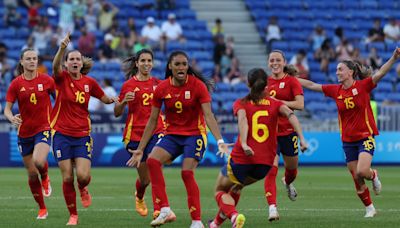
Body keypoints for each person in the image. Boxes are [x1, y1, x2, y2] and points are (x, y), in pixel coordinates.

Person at [127, 50, 229, 228]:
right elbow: (152, 121)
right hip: (172, 135)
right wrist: (141, 149)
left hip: (194, 135)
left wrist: (219, 140)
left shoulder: (198, 86)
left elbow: (209, 115)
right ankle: (165, 209)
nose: (181, 67)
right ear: (170, 67)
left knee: (186, 173)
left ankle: (197, 222)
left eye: (184, 64)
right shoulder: (162, 88)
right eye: (178, 64)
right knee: (152, 161)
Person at [298, 47, 400, 217]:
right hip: (347, 140)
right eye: (337, 69)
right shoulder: (335, 90)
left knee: (362, 171)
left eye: (340, 69)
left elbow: (380, 73)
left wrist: (394, 58)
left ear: (350, 72)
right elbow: (311, 85)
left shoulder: (363, 86)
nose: (337, 72)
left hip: (365, 136)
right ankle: (370, 208)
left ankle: (373, 175)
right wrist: (292, 80)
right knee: (356, 177)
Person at [208, 68, 307, 228]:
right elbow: (291, 115)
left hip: (243, 158)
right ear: (266, 85)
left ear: (248, 83)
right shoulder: (275, 103)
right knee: (237, 186)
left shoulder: (241, 103)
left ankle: (234, 216)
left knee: (220, 190)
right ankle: (215, 224)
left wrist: (245, 143)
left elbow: (243, 121)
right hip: (264, 165)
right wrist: (302, 139)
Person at [51, 32, 118, 225]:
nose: (74, 62)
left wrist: (113, 100)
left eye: (77, 59)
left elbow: (104, 98)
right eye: (71, 59)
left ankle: (83, 187)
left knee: (83, 176)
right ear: (66, 63)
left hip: (82, 135)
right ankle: (73, 215)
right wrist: (62, 48)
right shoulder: (61, 78)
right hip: (61, 134)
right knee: (66, 177)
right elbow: (54, 66)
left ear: (81, 63)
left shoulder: (90, 83)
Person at [4, 48, 55, 220]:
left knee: (39, 161)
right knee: (32, 174)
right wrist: (11, 118)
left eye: (35, 58)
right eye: (29, 59)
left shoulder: (47, 80)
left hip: (43, 128)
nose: (32, 61)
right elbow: (7, 109)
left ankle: (46, 177)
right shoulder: (16, 84)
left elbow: (61, 99)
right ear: (21, 62)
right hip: (24, 132)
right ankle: (42, 208)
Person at [114, 49, 164, 219]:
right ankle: (140, 196)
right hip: (134, 135)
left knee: (154, 163)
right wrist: (122, 102)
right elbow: (116, 112)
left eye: (149, 60)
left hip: (157, 131)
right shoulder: (128, 85)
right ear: (137, 63)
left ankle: (159, 209)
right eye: (143, 60)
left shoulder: (159, 84)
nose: (146, 64)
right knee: (145, 180)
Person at [264, 50, 305, 221]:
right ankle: (272, 208)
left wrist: (280, 103)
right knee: (270, 170)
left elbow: (300, 104)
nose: (275, 63)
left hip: (288, 132)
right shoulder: (263, 83)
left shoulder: (291, 81)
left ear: (284, 62)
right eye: (272, 60)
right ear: (268, 63)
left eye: (278, 60)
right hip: (270, 134)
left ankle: (287, 182)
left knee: (292, 170)